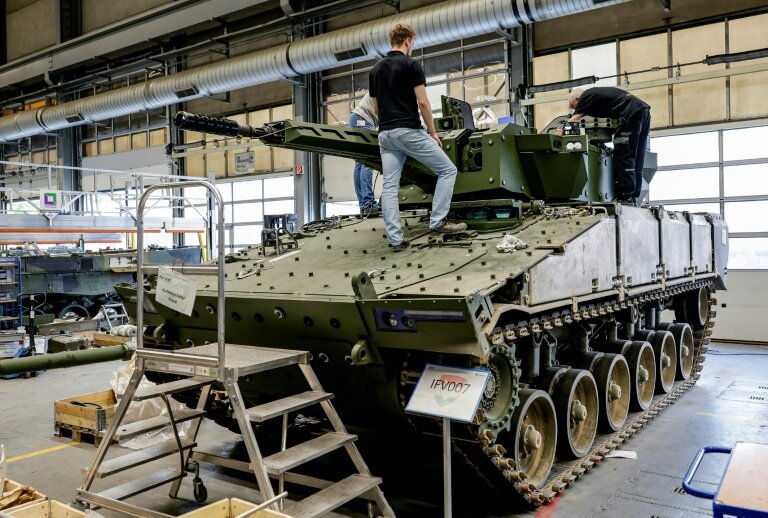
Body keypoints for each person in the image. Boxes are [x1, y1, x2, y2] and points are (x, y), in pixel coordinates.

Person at [369, 23, 466, 252]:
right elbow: (423, 102)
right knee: (447, 170)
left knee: (390, 188)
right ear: (408, 41)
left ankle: (395, 240)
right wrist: (432, 133)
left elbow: (375, 108)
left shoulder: (375, 69)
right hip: (408, 130)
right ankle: (438, 222)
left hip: (385, 134)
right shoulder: (411, 65)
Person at [564, 87, 651, 204]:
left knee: (623, 152)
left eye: (573, 106)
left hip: (630, 112)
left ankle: (625, 197)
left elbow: (574, 120)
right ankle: (634, 195)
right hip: (642, 110)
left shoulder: (585, 96)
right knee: (636, 155)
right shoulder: (594, 96)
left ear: (577, 99)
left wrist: (561, 130)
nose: (575, 109)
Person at [348, 93, 380, 216]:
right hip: (362, 120)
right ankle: (368, 204)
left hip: (357, 118)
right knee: (368, 160)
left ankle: (364, 205)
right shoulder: (387, 85)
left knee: (360, 163)